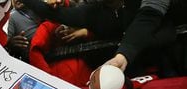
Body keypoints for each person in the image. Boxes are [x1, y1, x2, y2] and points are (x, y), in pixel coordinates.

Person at [20, 0, 187, 75]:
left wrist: (123, 55)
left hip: (174, 60)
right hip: (133, 73)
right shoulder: (92, 12)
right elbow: (57, 14)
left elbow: (147, 18)